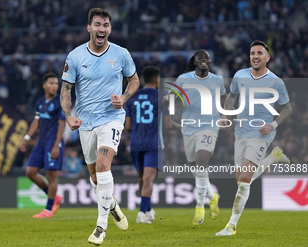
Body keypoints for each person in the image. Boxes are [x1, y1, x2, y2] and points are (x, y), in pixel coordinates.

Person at [60, 8, 139, 246]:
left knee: (104, 165)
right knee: (95, 177)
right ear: (89, 28)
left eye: (105, 25)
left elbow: (134, 80)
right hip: (85, 123)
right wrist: (67, 115)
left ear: (110, 29)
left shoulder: (121, 54)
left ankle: (100, 227)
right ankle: (112, 204)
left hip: (111, 118)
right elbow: (66, 89)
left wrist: (124, 98)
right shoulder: (75, 57)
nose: (101, 29)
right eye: (97, 24)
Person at [216, 40, 292, 236]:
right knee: (241, 180)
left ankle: (231, 226)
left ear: (267, 57)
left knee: (244, 180)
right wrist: (225, 114)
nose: (255, 56)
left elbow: (287, 108)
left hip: (261, 134)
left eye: (259, 53)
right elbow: (232, 96)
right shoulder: (240, 75)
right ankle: (273, 158)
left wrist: (273, 125)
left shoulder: (276, 82)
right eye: (252, 53)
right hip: (240, 133)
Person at [172, 50, 224, 227]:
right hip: (189, 129)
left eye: (207, 58)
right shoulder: (183, 79)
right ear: (194, 61)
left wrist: (224, 114)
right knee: (197, 170)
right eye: (200, 58)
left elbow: (223, 99)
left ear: (210, 62)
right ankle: (212, 196)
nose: (204, 60)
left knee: (202, 163)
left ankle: (199, 207)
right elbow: (175, 98)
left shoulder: (217, 80)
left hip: (209, 127)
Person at [19, 73, 65, 218]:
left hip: (53, 142)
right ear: (44, 85)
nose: (54, 86)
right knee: (30, 172)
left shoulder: (60, 102)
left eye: (56, 84)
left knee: (51, 174)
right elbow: (36, 122)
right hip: (41, 142)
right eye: (51, 83)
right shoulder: (40, 101)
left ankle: (48, 210)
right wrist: (26, 137)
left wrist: (56, 145)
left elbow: (62, 125)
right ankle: (54, 197)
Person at [125, 66, 162, 224]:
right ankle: (142, 212)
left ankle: (148, 209)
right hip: (153, 143)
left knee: (143, 178)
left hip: (136, 143)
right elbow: (167, 123)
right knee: (148, 179)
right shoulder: (161, 97)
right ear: (156, 80)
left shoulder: (132, 97)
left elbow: (127, 126)